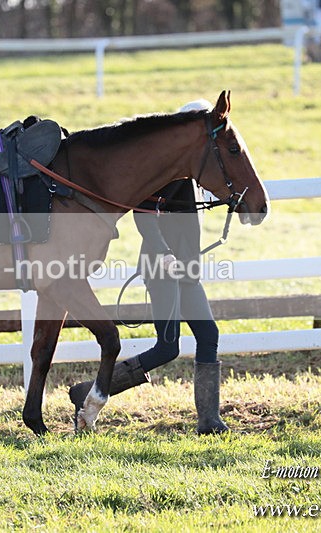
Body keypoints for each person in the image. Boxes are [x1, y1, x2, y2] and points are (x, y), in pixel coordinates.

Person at [68, 100, 229, 435]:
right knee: (167, 347)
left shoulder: (192, 172)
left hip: (186, 272)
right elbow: (143, 212)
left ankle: (209, 421)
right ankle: (92, 391)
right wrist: (163, 252)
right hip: (162, 268)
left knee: (208, 334)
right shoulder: (167, 174)